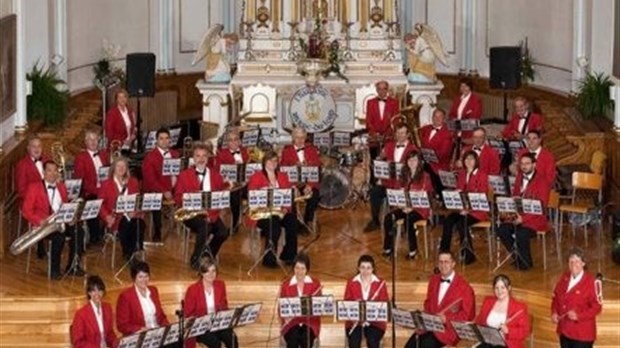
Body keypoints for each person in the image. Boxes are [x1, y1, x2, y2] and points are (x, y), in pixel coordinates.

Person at [22, 160, 85, 279]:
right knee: (59, 237)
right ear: (44, 172)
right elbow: (26, 211)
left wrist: (70, 218)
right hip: (44, 225)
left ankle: (73, 266)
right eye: (49, 170)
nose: (52, 173)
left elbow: (66, 206)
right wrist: (39, 220)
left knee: (79, 231)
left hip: (61, 222)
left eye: (55, 170)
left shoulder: (61, 187)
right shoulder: (34, 187)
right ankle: (54, 270)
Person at [174, 143, 229, 269]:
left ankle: (207, 255)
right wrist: (191, 204)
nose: (201, 159)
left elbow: (220, 199)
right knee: (205, 226)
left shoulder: (216, 175)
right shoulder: (184, 175)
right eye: (198, 156)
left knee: (223, 232)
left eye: (204, 156)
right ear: (193, 157)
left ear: (208, 157)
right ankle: (196, 259)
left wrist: (210, 215)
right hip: (191, 214)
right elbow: (177, 197)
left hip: (211, 214)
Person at [404, 251, 476, 348]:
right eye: (440, 262)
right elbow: (428, 305)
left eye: (446, 262)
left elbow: (467, 317)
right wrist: (422, 317)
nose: (443, 265)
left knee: (426, 345)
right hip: (430, 325)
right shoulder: (433, 281)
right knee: (410, 346)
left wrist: (446, 319)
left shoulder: (465, 288)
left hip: (448, 330)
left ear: (453, 264)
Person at [497, 153, 550, 270]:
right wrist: (512, 213)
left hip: (535, 219)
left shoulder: (542, 181)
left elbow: (541, 207)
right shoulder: (519, 178)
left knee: (521, 233)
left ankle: (525, 263)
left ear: (534, 165)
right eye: (522, 164)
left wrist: (523, 219)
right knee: (502, 230)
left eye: (527, 163)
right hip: (519, 216)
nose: (524, 166)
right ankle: (518, 257)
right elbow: (516, 197)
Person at [247, 151, 298, 268]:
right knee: (274, 226)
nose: (273, 163)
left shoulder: (283, 176)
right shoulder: (256, 176)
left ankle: (289, 255)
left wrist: (285, 209)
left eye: (275, 161)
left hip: (280, 211)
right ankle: (269, 259)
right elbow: (252, 198)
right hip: (262, 213)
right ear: (264, 162)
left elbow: (288, 196)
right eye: (270, 160)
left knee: (293, 222)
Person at [365, 123, 417, 232]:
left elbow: (415, 170)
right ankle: (375, 221)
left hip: (403, 185)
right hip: (388, 183)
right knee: (374, 191)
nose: (400, 135)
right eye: (398, 133)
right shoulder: (389, 145)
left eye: (403, 133)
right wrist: (379, 169)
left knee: (393, 196)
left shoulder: (413, 149)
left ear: (408, 135)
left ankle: (393, 222)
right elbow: (380, 159)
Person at [439, 151, 489, 265]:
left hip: (477, 211)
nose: (468, 162)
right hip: (462, 209)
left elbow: (482, 196)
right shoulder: (462, 173)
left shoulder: (482, 175)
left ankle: (468, 255)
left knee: (462, 223)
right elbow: (460, 190)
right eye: (466, 159)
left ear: (476, 161)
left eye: (471, 159)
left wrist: (468, 209)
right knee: (448, 220)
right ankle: (444, 250)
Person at [382, 151, 433, 259]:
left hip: (420, 209)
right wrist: (401, 205)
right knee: (388, 218)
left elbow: (427, 197)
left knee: (409, 220)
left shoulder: (425, 176)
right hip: (404, 207)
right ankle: (388, 248)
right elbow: (398, 191)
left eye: (414, 160)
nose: (412, 162)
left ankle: (413, 251)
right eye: (410, 160)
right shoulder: (404, 175)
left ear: (419, 162)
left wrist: (412, 207)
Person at [551, 247, 602, 348]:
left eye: (577, 261)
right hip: (564, 331)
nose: (574, 264)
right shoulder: (564, 277)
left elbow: (597, 307)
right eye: (571, 261)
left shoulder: (592, 282)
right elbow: (556, 298)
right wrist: (554, 312)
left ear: (583, 263)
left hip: (582, 334)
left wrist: (579, 315)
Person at [184, 258, 238, 348]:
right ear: (201, 273)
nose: (211, 274)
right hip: (200, 327)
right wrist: (203, 322)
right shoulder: (192, 290)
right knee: (215, 343)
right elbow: (188, 314)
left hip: (217, 324)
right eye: (207, 271)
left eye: (213, 271)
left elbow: (224, 307)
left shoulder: (220, 285)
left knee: (231, 337)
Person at [98, 157, 144, 262]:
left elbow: (138, 201)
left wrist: (136, 211)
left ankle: (133, 252)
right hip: (115, 219)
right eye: (119, 166)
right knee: (126, 224)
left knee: (139, 224)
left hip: (132, 215)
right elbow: (100, 205)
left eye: (124, 166)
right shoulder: (106, 184)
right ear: (113, 168)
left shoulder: (133, 182)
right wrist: (106, 217)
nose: (121, 168)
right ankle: (129, 253)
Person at [142, 127, 180, 242]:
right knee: (155, 198)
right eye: (161, 139)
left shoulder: (175, 154)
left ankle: (189, 225)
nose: (164, 141)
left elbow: (180, 173)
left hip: (174, 188)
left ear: (170, 140)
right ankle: (157, 231)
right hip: (157, 190)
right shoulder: (150, 158)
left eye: (167, 138)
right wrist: (164, 191)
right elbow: (150, 180)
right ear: (156, 141)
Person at [280, 127, 321, 233]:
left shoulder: (312, 150)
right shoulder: (286, 151)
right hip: (292, 183)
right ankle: (295, 224)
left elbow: (316, 169)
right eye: (297, 138)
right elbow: (283, 173)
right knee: (289, 196)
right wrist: (293, 186)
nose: (299, 140)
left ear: (305, 138)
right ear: (293, 138)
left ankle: (308, 220)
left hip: (307, 182)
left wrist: (310, 186)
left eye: (302, 138)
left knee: (315, 195)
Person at [73, 128, 110, 246]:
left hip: (104, 190)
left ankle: (112, 229)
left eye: (95, 139)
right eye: (90, 139)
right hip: (90, 192)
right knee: (95, 202)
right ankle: (95, 237)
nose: (93, 142)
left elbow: (108, 173)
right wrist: (98, 190)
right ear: (85, 142)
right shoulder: (81, 158)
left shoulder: (104, 155)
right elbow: (81, 181)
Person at [15, 135, 50, 258]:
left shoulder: (47, 159)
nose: (37, 149)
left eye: (39, 146)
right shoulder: (22, 165)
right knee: (41, 211)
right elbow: (21, 190)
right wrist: (37, 198)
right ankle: (40, 246)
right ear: (28, 149)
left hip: (49, 198)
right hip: (31, 202)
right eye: (33, 146)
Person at [344, 255, 389, 348]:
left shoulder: (380, 283)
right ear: (358, 268)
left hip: (375, 323)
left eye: (368, 268)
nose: (365, 271)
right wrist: (354, 317)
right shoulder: (351, 282)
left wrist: (371, 315)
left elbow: (384, 304)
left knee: (372, 341)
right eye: (362, 267)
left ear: (373, 269)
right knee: (354, 342)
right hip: (355, 322)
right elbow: (347, 303)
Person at [116, 261, 170, 336]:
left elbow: (161, 316)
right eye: (140, 277)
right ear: (134, 278)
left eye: (146, 276)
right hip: (139, 337)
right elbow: (122, 325)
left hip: (157, 333)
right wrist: (140, 329)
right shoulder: (125, 296)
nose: (144, 280)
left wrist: (167, 328)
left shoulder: (153, 290)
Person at [475, 275, 530, 348]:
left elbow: (525, 331)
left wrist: (508, 331)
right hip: (488, 342)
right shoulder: (488, 302)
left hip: (507, 344)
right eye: (496, 288)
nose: (499, 291)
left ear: (509, 288)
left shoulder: (519, 307)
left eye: (502, 287)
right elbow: (480, 320)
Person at [279, 253, 322, 348]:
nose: (299, 271)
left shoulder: (315, 284)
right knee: (292, 341)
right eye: (297, 268)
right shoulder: (285, 285)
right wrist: (285, 318)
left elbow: (319, 308)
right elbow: (281, 308)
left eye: (303, 268)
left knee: (306, 341)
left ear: (307, 269)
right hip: (291, 323)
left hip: (309, 322)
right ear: (293, 268)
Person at [215, 130, 250, 232]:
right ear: (227, 143)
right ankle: (235, 223)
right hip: (231, 185)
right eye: (230, 140)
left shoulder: (246, 152)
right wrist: (232, 169)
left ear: (239, 141)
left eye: (236, 139)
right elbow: (217, 172)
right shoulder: (222, 154)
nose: (233, 142)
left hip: (247, 184)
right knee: (235, 194)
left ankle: (263, 225)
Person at [71, 275, 118, 348]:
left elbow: (109, 333)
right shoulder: (81, 314)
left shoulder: (107, 308)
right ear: (89, 293)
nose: (97, 294)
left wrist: (117, 343)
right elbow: (78, 342)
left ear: (103, 291)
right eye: (93, 290)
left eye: (99, 290)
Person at [419, 108, 453, 194]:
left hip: (438, 166)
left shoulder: (447, 133)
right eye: (435, 116)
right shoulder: (425, 129)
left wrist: (426, 155)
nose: (437, 119)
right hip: (424, 162)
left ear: (444, 119)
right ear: (432, 117)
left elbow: (444, 154)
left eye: (440, 116)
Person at [365, 80, 400, 161]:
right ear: (376, 90)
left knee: (387, 164)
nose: (382, 91)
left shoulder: (394, 102)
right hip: (374, 140)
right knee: (374, 164)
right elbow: (368, 121)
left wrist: (386, 135)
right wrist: (374, 134)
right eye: (379, 89)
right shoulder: (370, 102)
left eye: (384, 89)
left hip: (388, 139)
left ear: (387, 90)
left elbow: (396, 121)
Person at [447, 77, 483, 144]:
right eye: (461, 86)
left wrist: (455, 125)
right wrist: (453, 124)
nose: (463, 88)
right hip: (456, 131)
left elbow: (473, 121)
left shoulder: (476, 100)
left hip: (469, 133)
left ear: (470, 87)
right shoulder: (457, 99)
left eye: (466, 86)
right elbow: (451, 114)